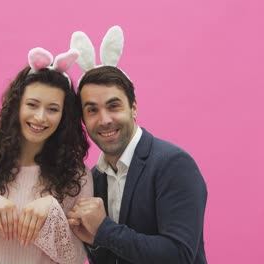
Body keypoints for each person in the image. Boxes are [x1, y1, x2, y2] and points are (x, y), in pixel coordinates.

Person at [67, 26, 208, 263]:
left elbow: (179, 255)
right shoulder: (95, 178)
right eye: (92, 110)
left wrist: (103, 229)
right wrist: (94, 243)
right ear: (83, 119)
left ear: (133, 108)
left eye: (114, 106)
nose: (104, 120)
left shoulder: (173, 164)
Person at [0, 47, 92, 264]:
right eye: (32, 105)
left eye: (52, 109)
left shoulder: (77, 177)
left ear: (64, 116)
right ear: (16, 106)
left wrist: (52, 212)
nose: (40, 117)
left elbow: (76, 260)